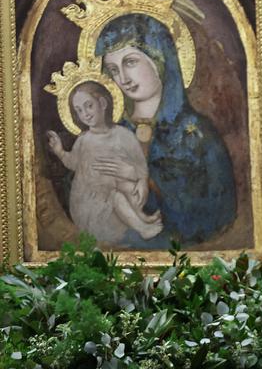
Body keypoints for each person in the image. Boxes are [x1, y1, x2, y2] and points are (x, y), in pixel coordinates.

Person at [95, 13, 237, 246]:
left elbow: (217, 209)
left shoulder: (197, 134)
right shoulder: (111, 131)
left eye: (130, 62)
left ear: (160, 59)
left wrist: (145, 177)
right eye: (113, 69)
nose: (123, 78)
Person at [46, 81, 163, 243]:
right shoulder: (84, 140)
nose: (85, 114)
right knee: (116, 195)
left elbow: (140, 165)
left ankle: (142, 218)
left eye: (89, 106)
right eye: (79, 110)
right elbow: (73, 163)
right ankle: (142, 228)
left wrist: (142, 180)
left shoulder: (124, 135)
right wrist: (60, 152)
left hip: (115, 193)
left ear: (102, 103)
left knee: (127, 187)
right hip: (89, 205)